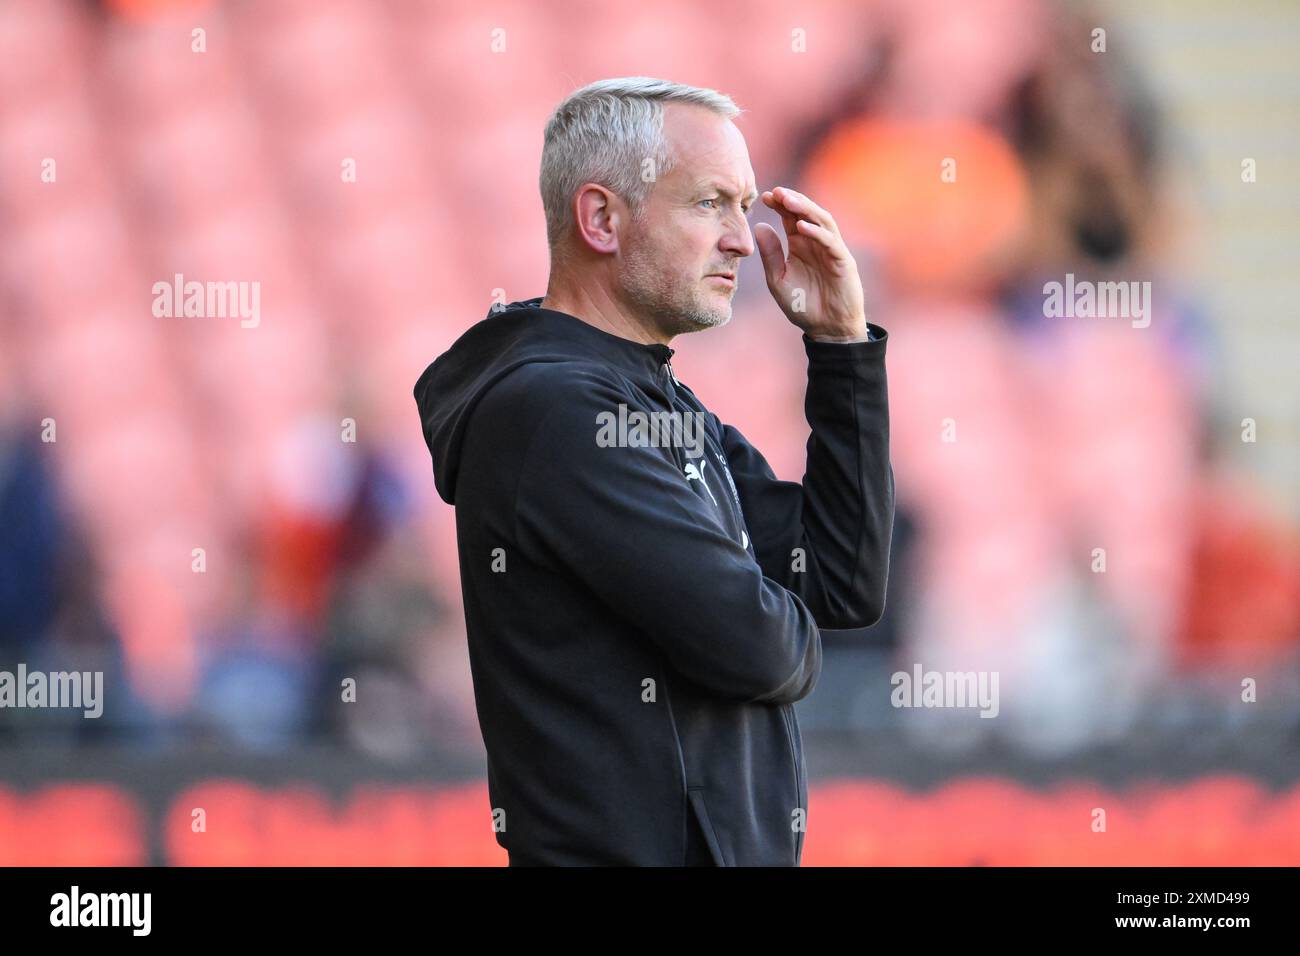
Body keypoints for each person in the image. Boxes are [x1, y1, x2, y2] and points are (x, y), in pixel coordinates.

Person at [414, 77, 893, 865]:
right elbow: (758, 646)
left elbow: (841, 582)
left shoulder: (654, 402)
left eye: (745, 206)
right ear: (601, 218)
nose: (742, 238)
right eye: (710, 203)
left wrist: (841, 349)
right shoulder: (557, 412)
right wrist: (775, 620)